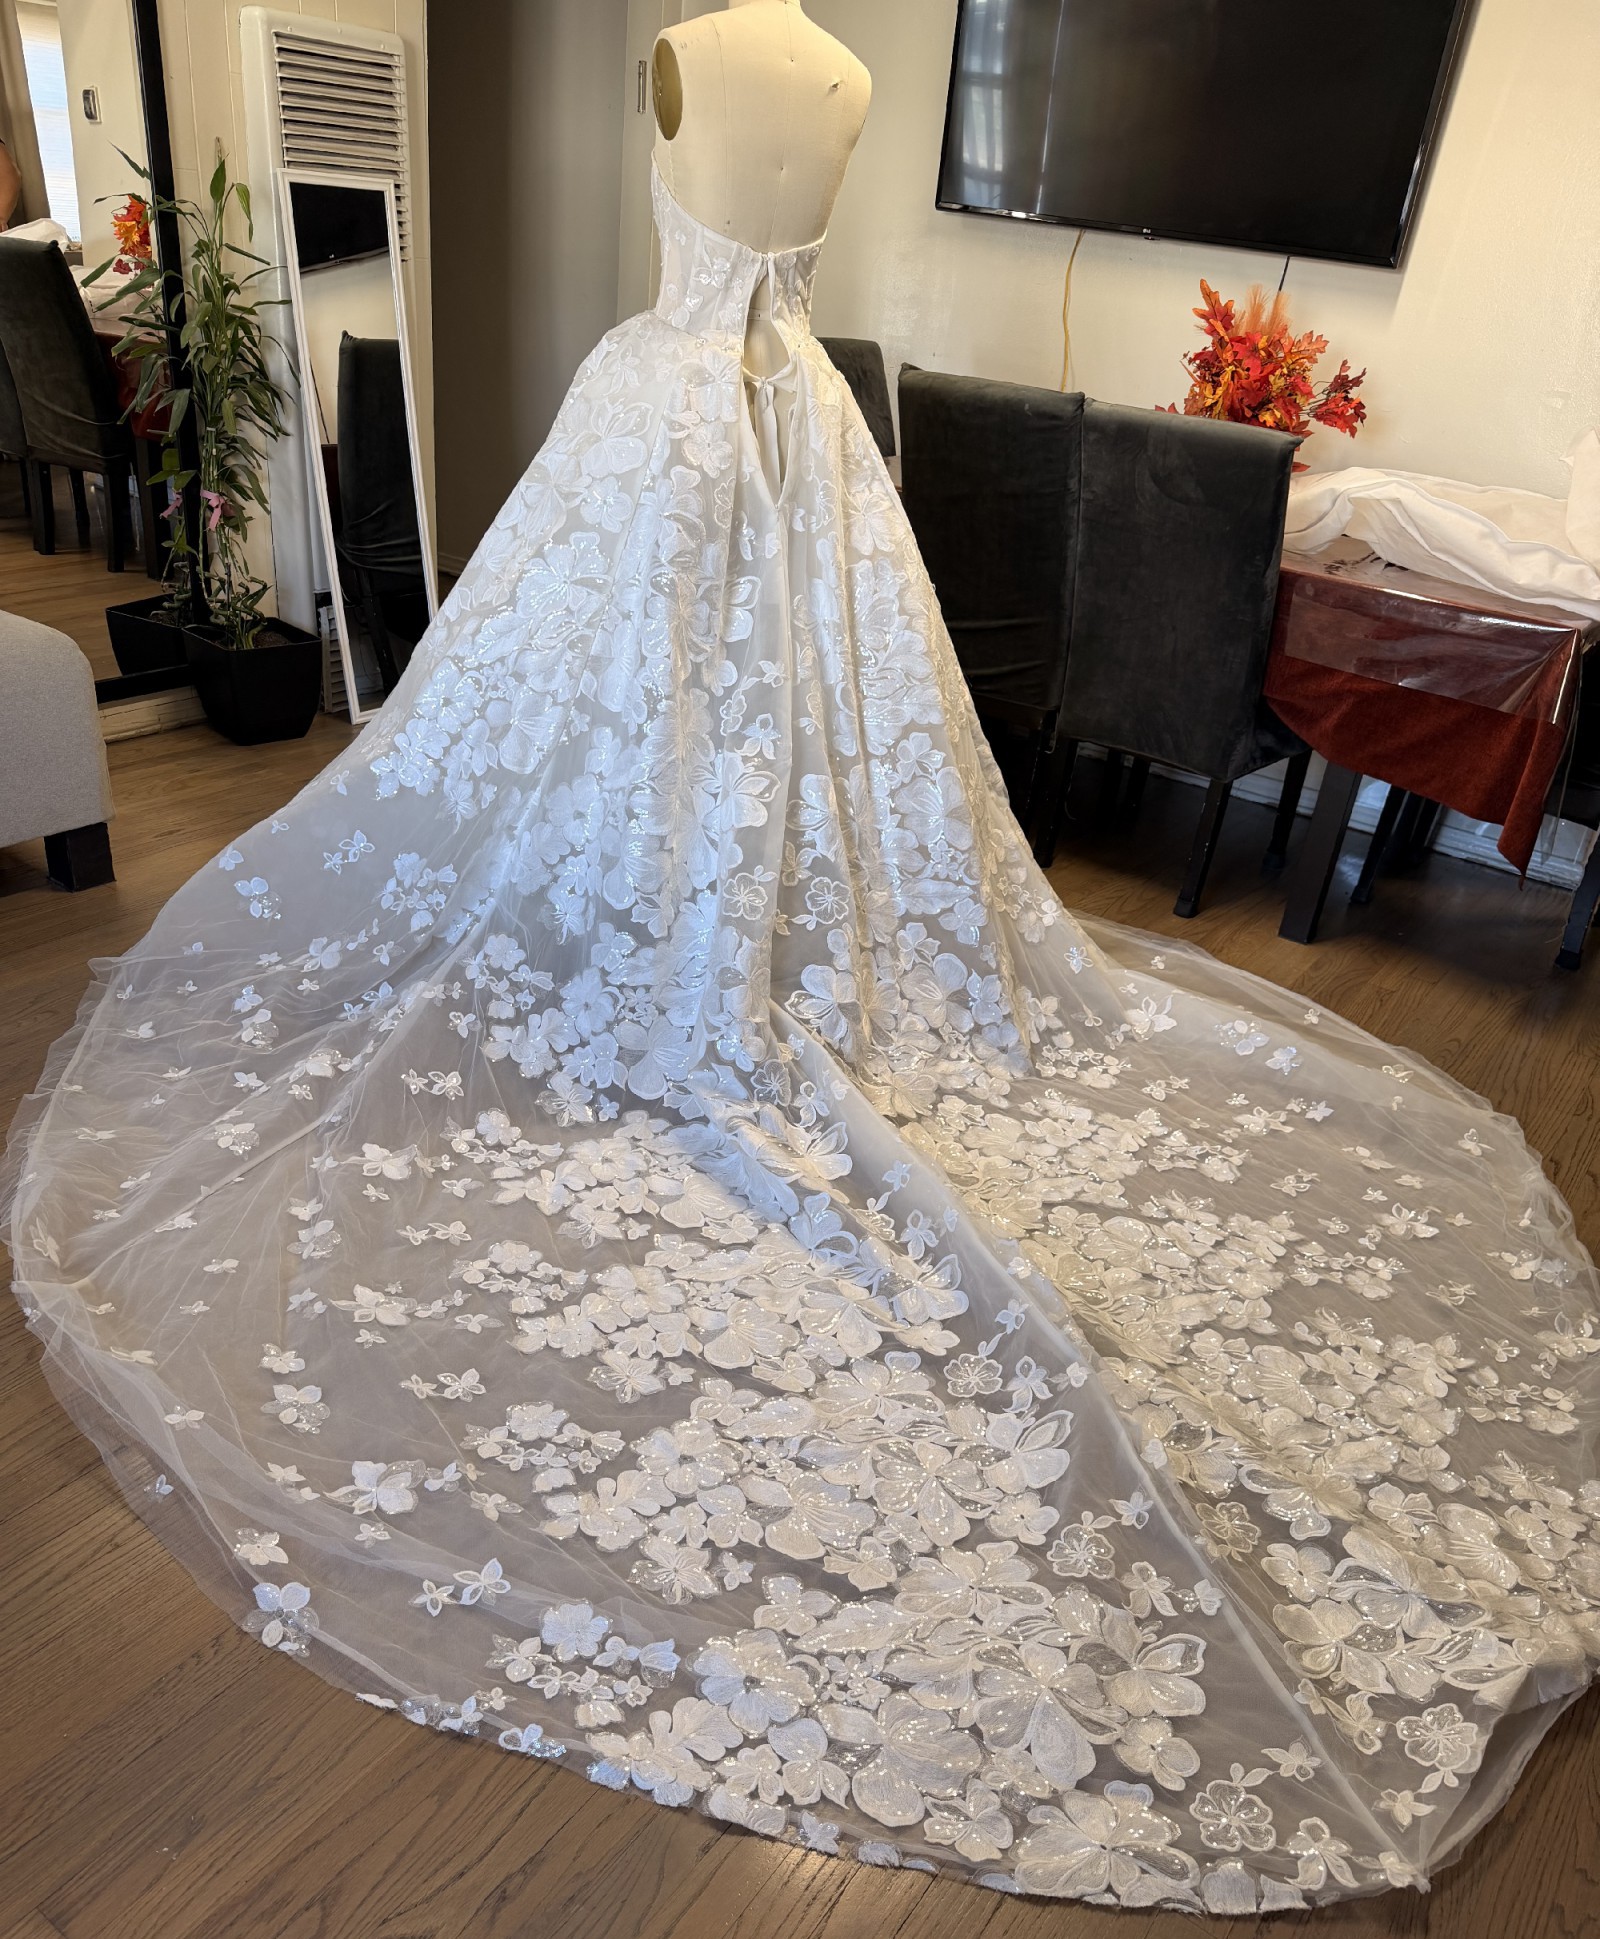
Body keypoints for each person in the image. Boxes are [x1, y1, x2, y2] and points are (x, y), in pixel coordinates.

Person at [6, 0, 1599, 1913]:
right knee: (692, 731)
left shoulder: (745, 63)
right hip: (769, 429)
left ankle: (691, 963)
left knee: (699, 738)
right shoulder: (818, 70)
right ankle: (674, 943)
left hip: (698, 416)